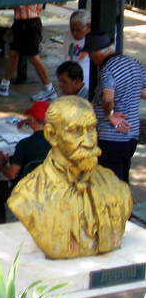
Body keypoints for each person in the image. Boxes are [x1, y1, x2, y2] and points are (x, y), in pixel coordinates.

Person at [8, 96, 132, 258]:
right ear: (52, 135)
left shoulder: (117, 189)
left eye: (91, 128)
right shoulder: (25, 197)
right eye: (76, 131)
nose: (88, 142)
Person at [83, 30, 146, 183]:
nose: (90, 58)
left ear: (96, 52)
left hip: (111, 138)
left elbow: (107, 96)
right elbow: (144, 93)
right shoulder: (134, 64)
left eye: (90, 54)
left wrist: (110, 114)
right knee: (121, 179)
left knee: (109, 185)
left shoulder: (108, 69)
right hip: (130, 135)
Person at [0, 4, 56, 101]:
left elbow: (20, 3)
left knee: (33, 56)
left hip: (30, 23)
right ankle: (4, 85)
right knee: (14, 53)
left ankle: (49, 89)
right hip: (20, 22)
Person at [0, 101, 51, 182]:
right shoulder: (57, 141)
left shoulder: (24, 144)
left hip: (26, 190)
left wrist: (0, 165)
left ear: (33, 120)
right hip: (50, 187)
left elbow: (12, 174)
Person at [65, 9, 91, 92]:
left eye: (78, 30)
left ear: (88, 27)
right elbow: (68, 56)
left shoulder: (93, 39)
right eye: (72, 29)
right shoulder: (68, 35)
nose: (74, 33)